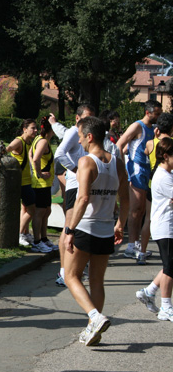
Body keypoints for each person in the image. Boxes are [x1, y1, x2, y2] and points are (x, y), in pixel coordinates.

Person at [63, 116, 129, 346]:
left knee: (70, 276)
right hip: (106, 229)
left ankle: (94, 316)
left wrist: (70, 229)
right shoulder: (117, 162)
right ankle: (94, 330)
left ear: (89, 137)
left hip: (86, 227)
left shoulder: (86, 162)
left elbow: (82, 198)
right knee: (97, 281)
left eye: (80, 136)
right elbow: (125, 197)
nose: (79, 141)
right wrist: (120, 223)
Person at [53, 104, 96, 286]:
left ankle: (73, 269)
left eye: (92, 118)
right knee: (69, 226)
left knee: (77, 226)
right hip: (73, 183)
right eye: (86, 117)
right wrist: (76, 169)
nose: (89, 121)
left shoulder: (85, 134)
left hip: (82, 182)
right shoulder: (72, 132)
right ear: (77, 118)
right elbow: (59, 154)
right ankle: (64, 271)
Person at [116, 100, 162, 260]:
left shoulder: (153, 129)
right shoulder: (137, 126)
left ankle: (135, 244)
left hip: (146, 171)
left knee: (141, 210)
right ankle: (130, 245)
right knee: (135, 210)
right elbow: (120, 144)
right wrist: (122, 168)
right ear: (148, 113)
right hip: (135, 170)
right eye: (157, 113)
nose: (159, 116)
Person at [135, 137, 173, 321]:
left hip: (168, 225)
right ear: (165, 156)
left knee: (170, 265)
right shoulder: (163, 177)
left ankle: (148, 292)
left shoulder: (168, 173)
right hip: (165, 226)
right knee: (169, 268)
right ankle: (166, 306)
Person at [136, 113, 173, 264]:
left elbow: (145, 154)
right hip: (166, 184)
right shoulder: (171, 145)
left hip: (152, 185)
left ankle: (142, 252)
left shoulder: (151, 143)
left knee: (148, 219)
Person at [6, 119, 42, 249]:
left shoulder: (28, 142)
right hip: (22, 182)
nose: (36, 130)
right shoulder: (19, 141)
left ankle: (25, 233)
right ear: (24, 129)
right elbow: (6, 149)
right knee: (32, 209)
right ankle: (20, 234)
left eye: (36, 128)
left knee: (25, 209)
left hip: (27, 180)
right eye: (33, 128)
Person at [30, 116, 57, 251]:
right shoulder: (43, 142)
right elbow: (35, 158)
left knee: (46, 210)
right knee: (40, 212)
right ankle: (36, 241)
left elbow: (30, 154)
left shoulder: (39, 139)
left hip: (45, 183)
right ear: (50, 130)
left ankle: (44, 238)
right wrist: (39, 173)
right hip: (40, 183)